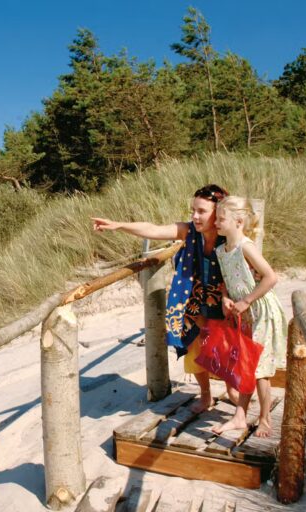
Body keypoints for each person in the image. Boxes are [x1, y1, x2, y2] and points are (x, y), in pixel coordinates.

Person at [92, 184, 239, 412]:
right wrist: (118, 225)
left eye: (201, 211)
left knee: (226, 346)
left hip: (224, 299)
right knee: (194, 345)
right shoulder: (190, 231)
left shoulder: (229, 236)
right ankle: (206, 395)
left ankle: (232, 389)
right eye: (193, 210)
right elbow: (153, 229)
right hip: (194, 299)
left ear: (219, 213)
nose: (194, 216)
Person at [211, 195, 287, 437]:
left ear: (239, 221)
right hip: (244, 313)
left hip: (261, 310)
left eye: (221, 219)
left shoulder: (246, 246)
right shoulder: (222, 250)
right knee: (246, 364)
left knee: (261, 369)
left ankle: (264, 419)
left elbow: (270, 277)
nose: (216, 223)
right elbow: (227, 280)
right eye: (217, 218)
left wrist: (246, 300)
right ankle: (240, 417)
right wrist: (225, 297)